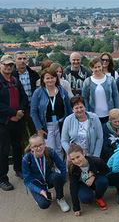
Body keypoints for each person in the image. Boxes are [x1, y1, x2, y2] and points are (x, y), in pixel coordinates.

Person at [31, 67, 73, 161]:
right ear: (43, 79)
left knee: (60, 148)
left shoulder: (62, 90)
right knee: (50, 149)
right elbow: (33, 112)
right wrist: (39, 128)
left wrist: (71, 123)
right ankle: (51, 170)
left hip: (61, 123)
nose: (50, 80)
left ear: (56, 78)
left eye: (52, 77)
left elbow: (68, 107)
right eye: (47, 78)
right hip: (46, 126)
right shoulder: (38, 92)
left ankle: (60, 170)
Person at [0, 55, 28, 189]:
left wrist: (21, 111)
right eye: (6, 64)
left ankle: (18, 169)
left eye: (10, 64)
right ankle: (2, 178)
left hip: (17, 120)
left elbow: (24, 97)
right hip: (4, 122)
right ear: (0, 65)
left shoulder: (15, 80)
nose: (8, 67)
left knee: (18, 146)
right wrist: (13, 113)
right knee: (3, 150)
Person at [22, 134, 70, 211]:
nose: (39, 148)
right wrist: (41, 191)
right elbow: (27, 181)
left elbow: (63, 168)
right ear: (31, 148)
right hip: (36, 184)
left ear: (44, 143)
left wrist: (62, 181)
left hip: (48, 179)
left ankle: (60, 198)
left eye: (41, 144)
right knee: (44, 204)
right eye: (35, 146)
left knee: (57, 176)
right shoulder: (26, 159)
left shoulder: (50, 152)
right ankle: (39, 196)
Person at [68, 144, 109, 216]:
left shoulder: (96, 161)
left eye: (78, 157)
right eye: (73, 159)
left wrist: (93, 176)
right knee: (86, 199)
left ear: (83, 153)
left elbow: (106, 170)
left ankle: (99, 197)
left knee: (103, 181)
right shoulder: (72, 168)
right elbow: (73, 187)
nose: (76, 161)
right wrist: (76, 208)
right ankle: (87, 194)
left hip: (95, 181)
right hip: (82, 184)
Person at [82, 58, 119, 124]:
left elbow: (116, 96)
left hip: (109, 114)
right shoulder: (87, 81)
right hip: (93, 115)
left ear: (102, 66)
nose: (97, 69)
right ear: (91, 68)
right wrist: (87, 113)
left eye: (99, 66)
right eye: (95, 67)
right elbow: (84, 98)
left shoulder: (110, 80)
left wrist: (117, 110)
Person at [12, 51, 40, 136]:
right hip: (19, 109)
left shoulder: (33, 74)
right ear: (14, 61)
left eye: (24, 58)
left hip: (33, 108)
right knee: (21, 135)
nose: (22, 61)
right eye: (19, 58)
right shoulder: (11, 76)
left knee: (35, 133)